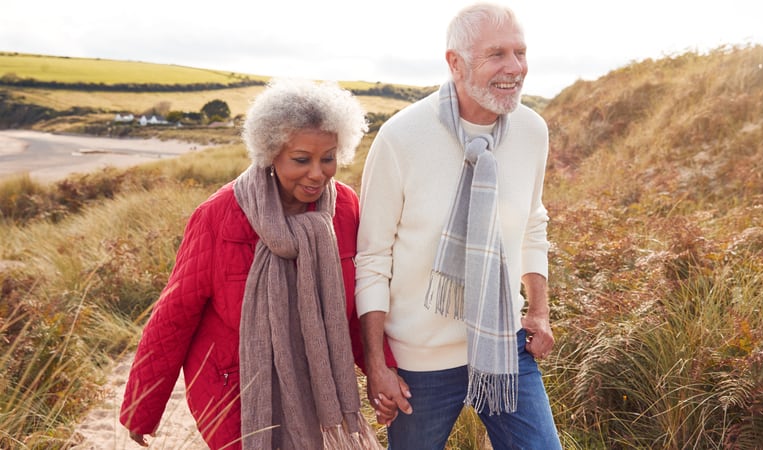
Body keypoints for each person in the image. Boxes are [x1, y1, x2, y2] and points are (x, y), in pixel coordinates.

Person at [119, 78, 396, 449]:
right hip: (236, 391)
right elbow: (174, 316)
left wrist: (383, 372)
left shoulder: (344, 209)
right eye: (301, 159)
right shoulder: (218, 216)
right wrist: (142, 408)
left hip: (320, 385)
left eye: (328, 157)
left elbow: (350, 306)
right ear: (270, 152)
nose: (318, 173)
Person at [355, 3, 562, 449]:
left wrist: (539, 310)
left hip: (504, 346)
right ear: (455, 62)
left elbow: (532, 223)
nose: (515, 68)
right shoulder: (401, 138)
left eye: (520, 52)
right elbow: (372, 258)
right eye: (497, 55)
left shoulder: (531, 131)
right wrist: (377, 364)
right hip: (419, 362)